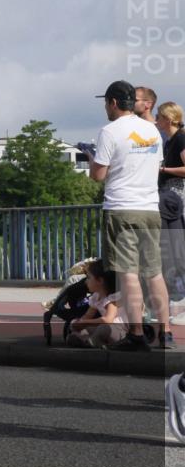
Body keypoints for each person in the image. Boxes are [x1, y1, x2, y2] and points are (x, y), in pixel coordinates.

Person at [87, 80, 173, 350]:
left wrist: (92, 159)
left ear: (113, 103)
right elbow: (155, 165)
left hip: (122, 209)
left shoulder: (110, 131)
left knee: (129, 274)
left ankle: (136, 334)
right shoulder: (152, 130)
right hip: (150, 209)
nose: (106, 108)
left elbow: (98, 175)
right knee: (154, 272)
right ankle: (166, 332)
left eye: (106, 103)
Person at [67, 260, 127, 348]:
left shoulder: (112, 298)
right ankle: (88, 340)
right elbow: (87, 315)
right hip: (105, 329)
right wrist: (78, 323)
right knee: (86, 329)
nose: (86, 281)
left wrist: (85, 322)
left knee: (103, 329)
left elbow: (108, 320)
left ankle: (91, 341)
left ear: (100, 280)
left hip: (119, 330)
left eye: (88, 277)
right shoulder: (96, 297)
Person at [156, 102, 185, 198]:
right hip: (170, 191)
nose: (156, 120)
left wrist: (163, 169)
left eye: (158, 117)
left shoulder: (181, 139)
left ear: (168, 119)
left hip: (178, 192)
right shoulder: (171, 140)